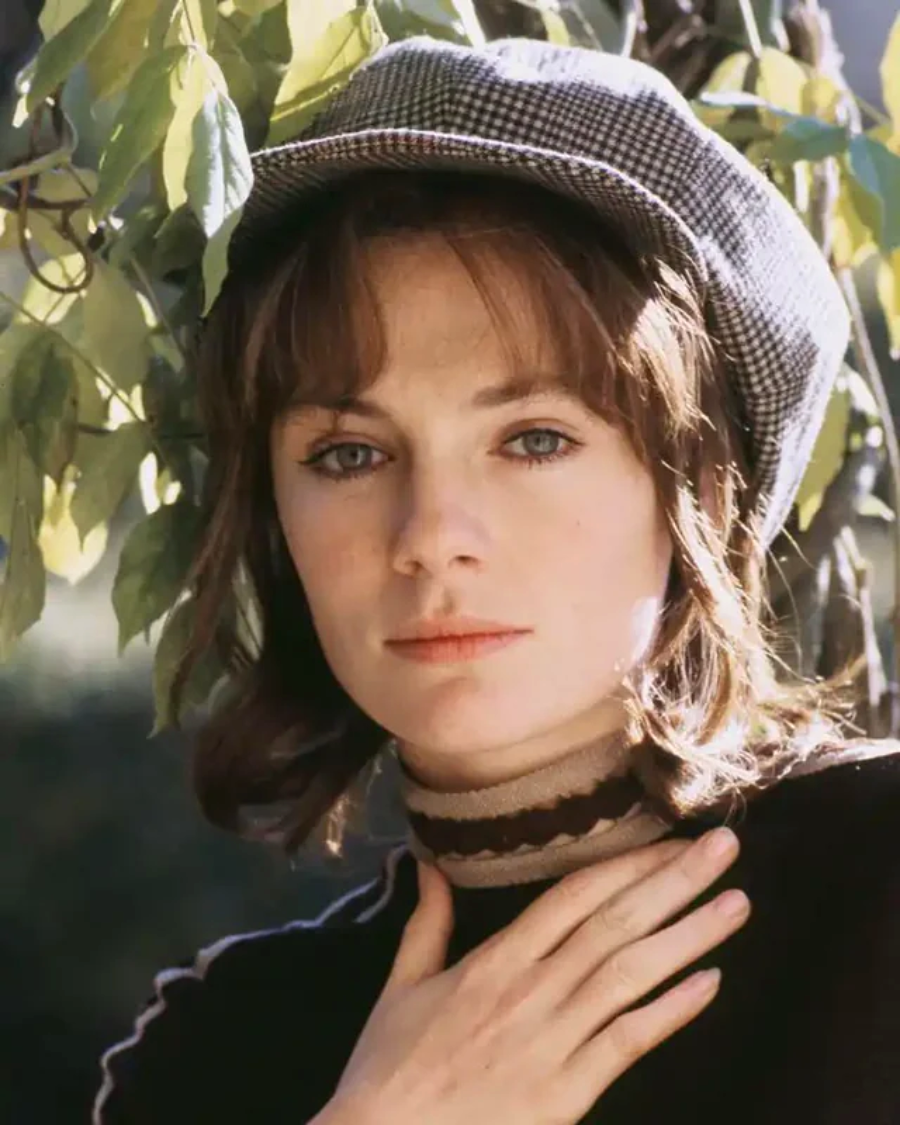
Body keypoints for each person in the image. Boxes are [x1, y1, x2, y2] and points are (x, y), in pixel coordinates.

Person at [92, 34, 900, 1125]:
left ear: (700, 492)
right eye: (348, 454)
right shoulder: (217, 1052)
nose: (430, 535)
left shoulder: (876, 888)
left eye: (532, 440)